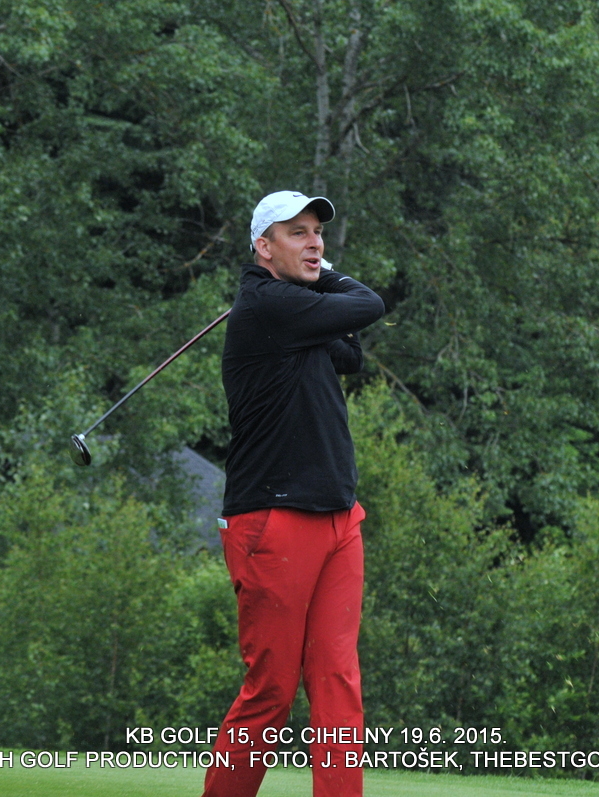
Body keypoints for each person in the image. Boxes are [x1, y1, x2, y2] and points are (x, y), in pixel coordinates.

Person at [202, 191, 385, 797]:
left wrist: (312, 276)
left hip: (338, 517)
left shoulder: (292, 310)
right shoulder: (266, 303)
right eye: (298, 233)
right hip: (272, 518)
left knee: (338, 683)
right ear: (263, 246)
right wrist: (325, 274)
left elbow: (350, 354)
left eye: (318, 233)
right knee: (272, 693)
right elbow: (369, 303)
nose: (315, 242)